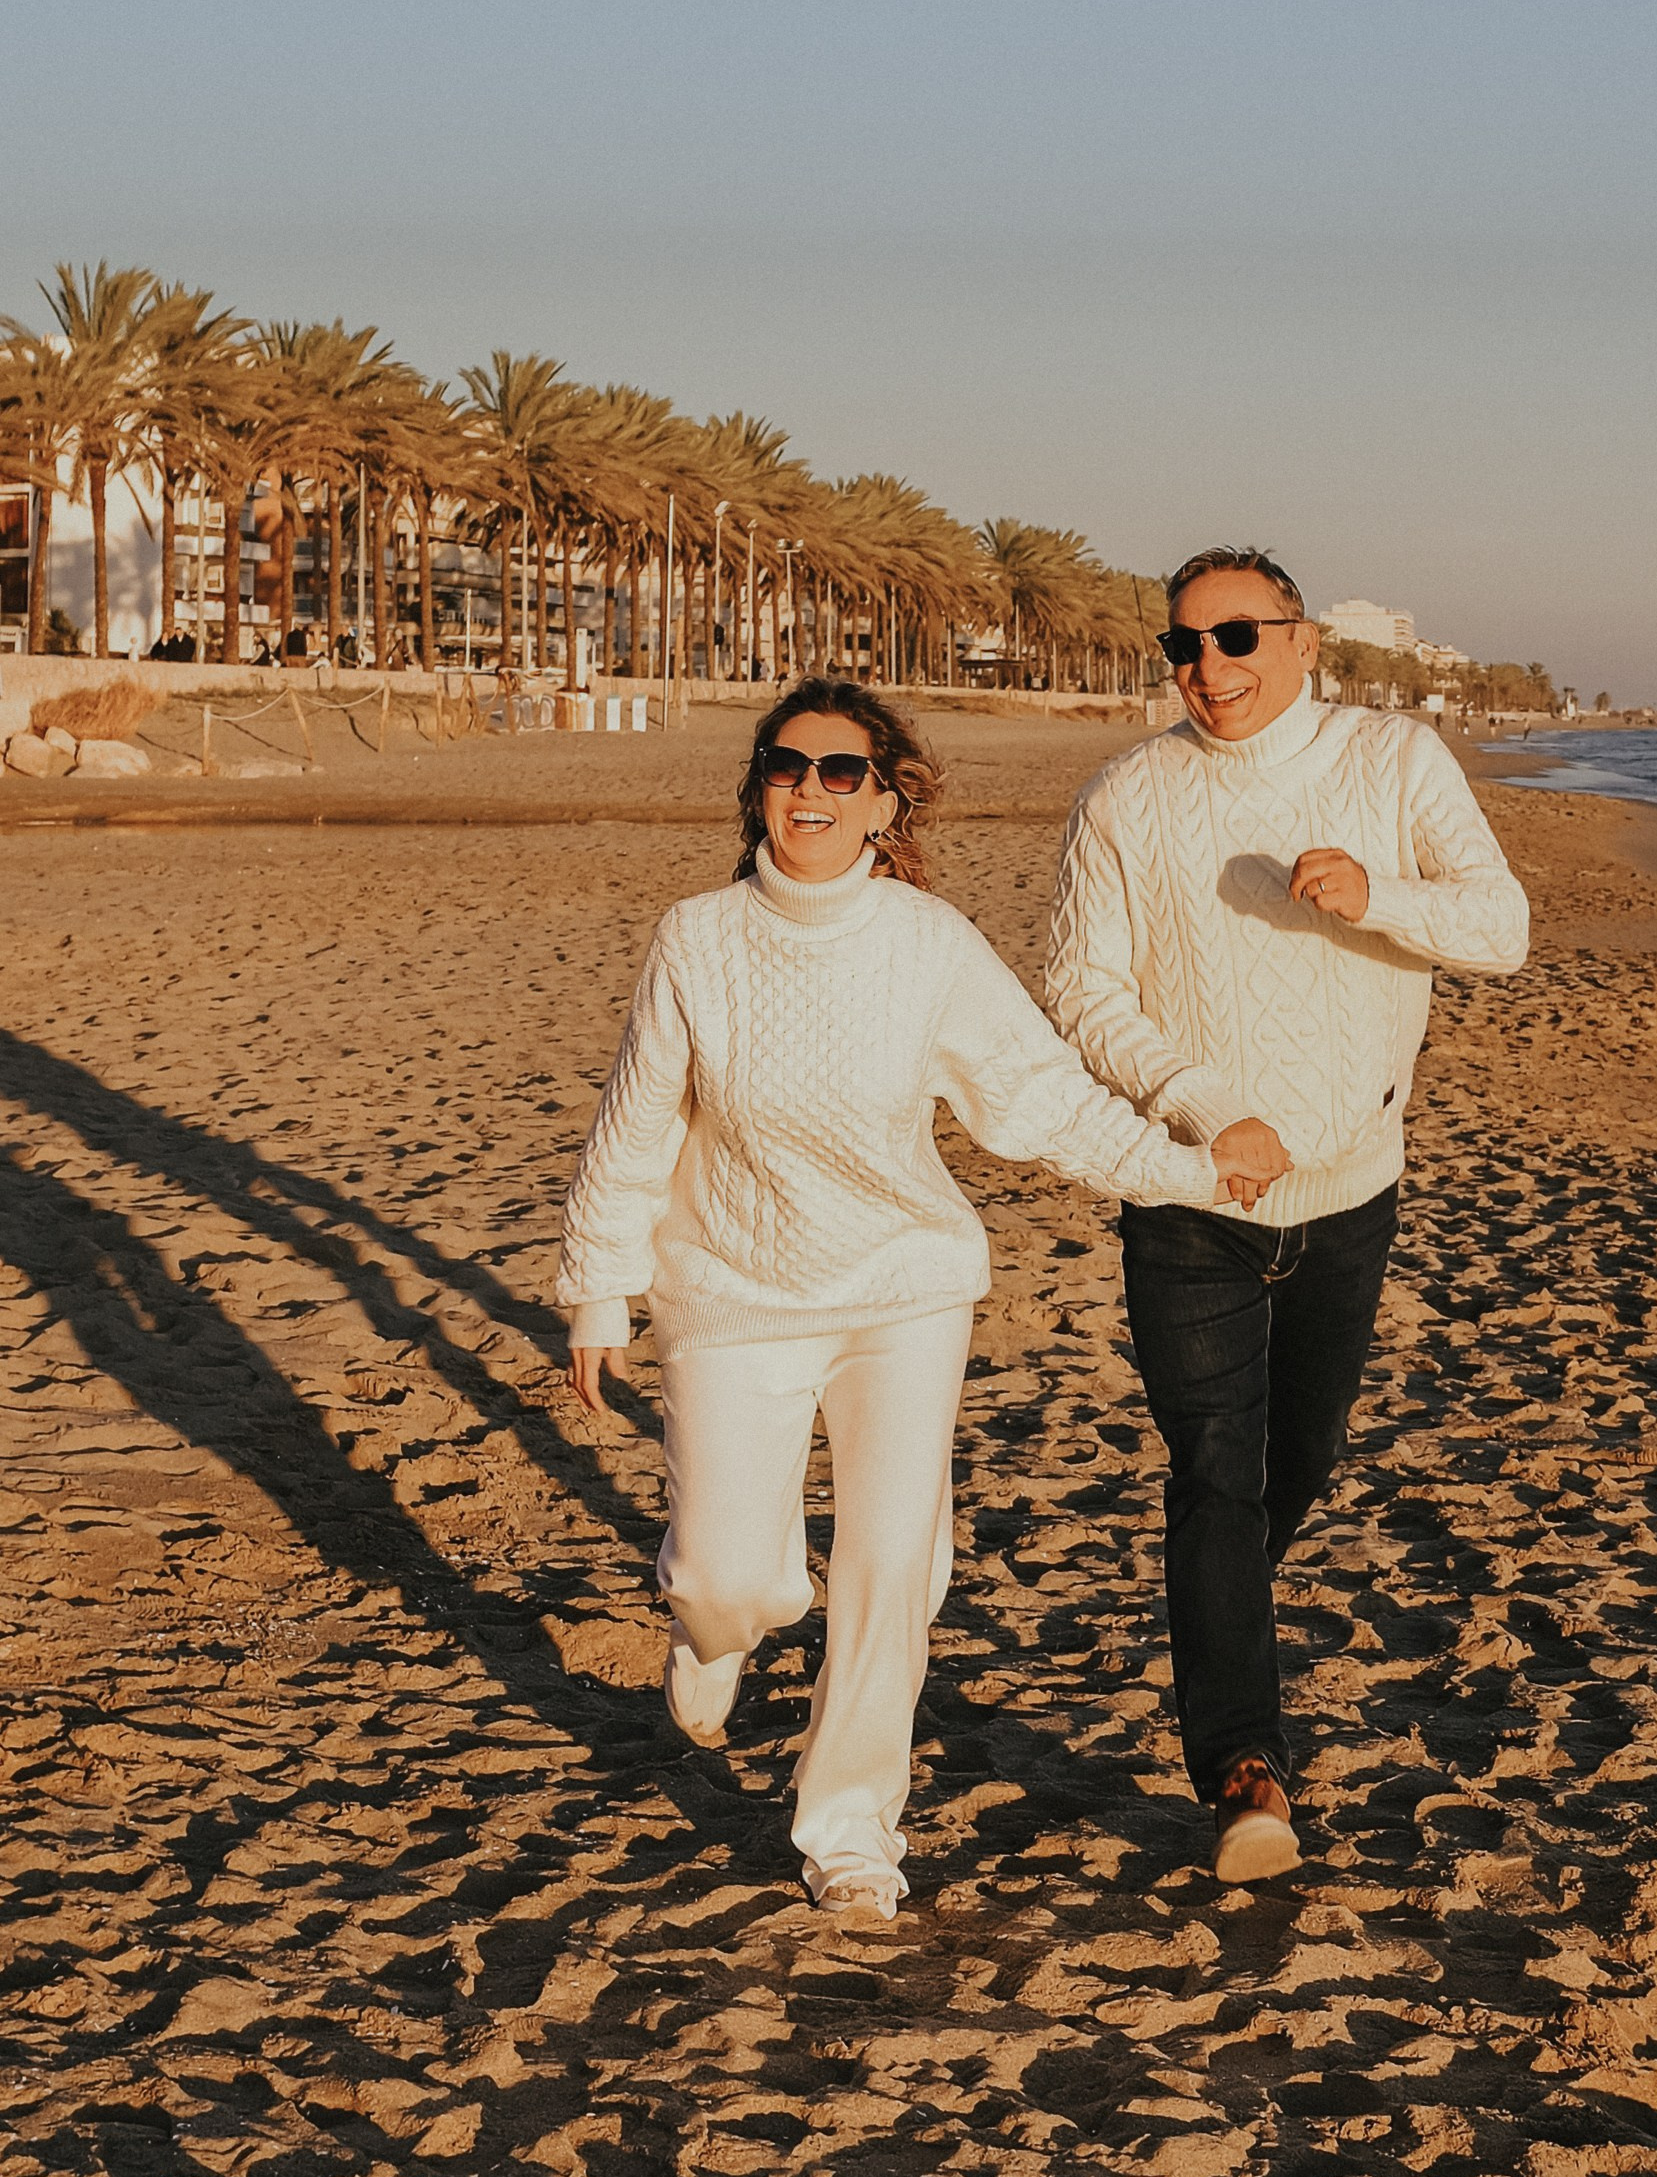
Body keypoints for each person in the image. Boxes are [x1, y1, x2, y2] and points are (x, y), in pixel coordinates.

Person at [557, 677, 1241, 1927]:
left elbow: (1042, 1101)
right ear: (758, 784)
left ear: (886, 803)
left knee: (886, 1567)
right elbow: (635, 1124)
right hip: (730, 1290)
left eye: (841, 772)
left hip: (902, 1294)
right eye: (787, 765)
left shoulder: (930, 946)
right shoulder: (695, 938)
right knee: (727, 1571)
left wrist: (1189, 1170)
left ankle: (851, 1832)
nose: (809, 790)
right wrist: (600, 1286)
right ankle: (715, 1635)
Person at [1047, 549, 1529, 1884]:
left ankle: (1218, 1628)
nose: (1208, 665)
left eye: (1237, 634)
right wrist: (1201, 1104)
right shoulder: (1130, 796)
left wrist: (1379, 898)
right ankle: (1246, 1768)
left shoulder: (1394, 762)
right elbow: (1080, 988)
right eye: (1183, 643)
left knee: (1284, 1475)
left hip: (1351, 1193)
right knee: (1213, 1468)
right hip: (1190, 1201)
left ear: (1301, 641)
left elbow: (1503, 927)